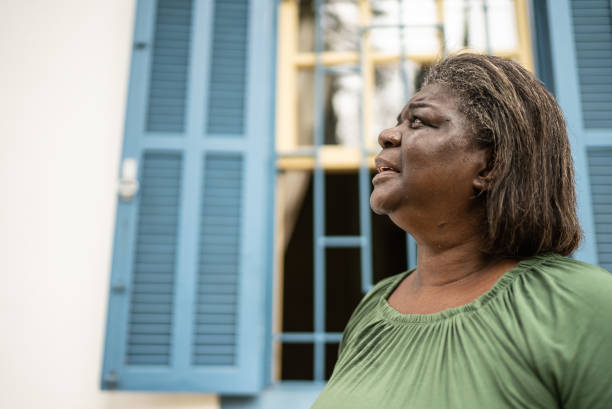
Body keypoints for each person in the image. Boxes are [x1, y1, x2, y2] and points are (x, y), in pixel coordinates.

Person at [311, 53, 612, 408]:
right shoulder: (374, 309)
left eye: (419, 122)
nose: (387, 134)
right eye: (398, 122)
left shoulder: (584, 304)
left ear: (491, 165)